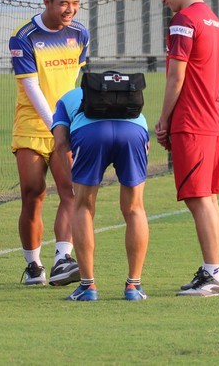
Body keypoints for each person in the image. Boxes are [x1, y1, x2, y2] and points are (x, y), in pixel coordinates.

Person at [152, 0, 219, 297]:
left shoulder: (184, 21)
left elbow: (175, 76)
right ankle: (213, 271)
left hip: (193, 121)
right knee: (207, 198)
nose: (163, 0)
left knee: (199, 199)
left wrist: (164, 120)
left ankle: (214, 276)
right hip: (212, 118)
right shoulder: (212, 19)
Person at [8, 0, 89, 286]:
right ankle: (32, 266)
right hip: (32, 125)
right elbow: (31, 88)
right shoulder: (24, 37)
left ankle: (61, 260)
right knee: (33, 194)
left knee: (71, 191)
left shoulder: (80, 34)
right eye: (63, 3)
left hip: (65, 125)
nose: (70, 10)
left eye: (75, 3)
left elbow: (75, 83)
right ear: (46, 1)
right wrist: (56, 126)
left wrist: (71, 123)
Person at [51, 86, 150, 302]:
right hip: (134, 131)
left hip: (90, 134)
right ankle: (134, 286)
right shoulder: (125, 94)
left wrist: (73, 181)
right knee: (135, 208)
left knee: (83, 206)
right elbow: (146, 137)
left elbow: (59, 142)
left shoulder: (64, 99)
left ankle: (88, 286)